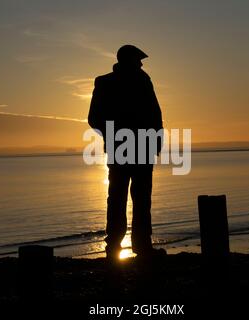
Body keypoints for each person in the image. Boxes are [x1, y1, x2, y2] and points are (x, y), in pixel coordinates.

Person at [88, 44, 166, 261]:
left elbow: (155, 113)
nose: (141, 64)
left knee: (135, 198)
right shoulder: (105, 82)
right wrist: (114, 136)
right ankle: (117, 246)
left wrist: (156, 140)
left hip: (142, 148)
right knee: (121, 198)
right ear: (128, 60)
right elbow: (94, 118)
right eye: (138, 60)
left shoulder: (143, 80)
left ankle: (135, 246)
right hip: (124, 149)